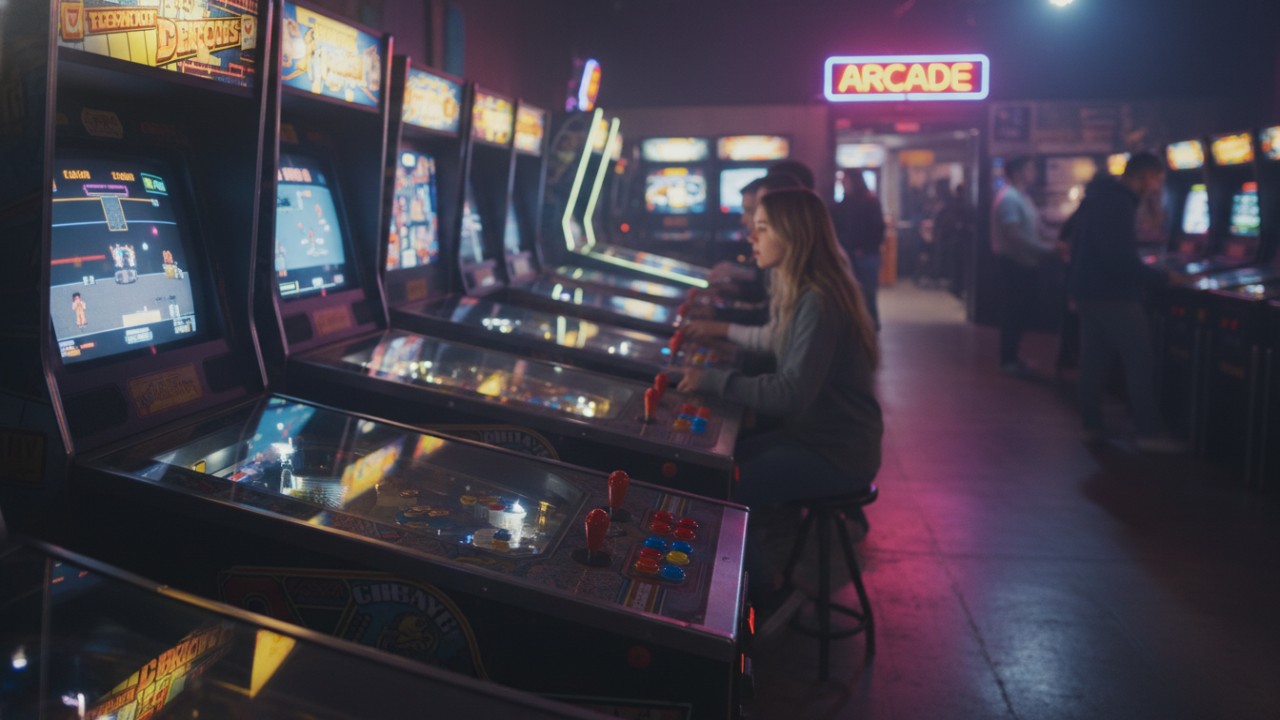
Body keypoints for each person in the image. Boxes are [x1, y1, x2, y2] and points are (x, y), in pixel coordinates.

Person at [677, 188, 883, 630]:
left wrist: (714, 381)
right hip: (820, 436)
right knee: (719, 467)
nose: (752, 234)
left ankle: (766, 595)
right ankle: (758, 580)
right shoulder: (808, 289)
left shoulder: (819, 300)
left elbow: (790, 392)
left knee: (729, 487)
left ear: (793, 235)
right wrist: (720, 332)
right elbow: (775, 340)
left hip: (837, 451)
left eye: (764, 227)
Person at [1068, 151, 1185, 452]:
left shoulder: (1101, 196)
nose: (1158, 186)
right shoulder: (1119, 203)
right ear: (1145, 176)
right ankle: (1149, 433)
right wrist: (1163, 278)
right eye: (1158, 179)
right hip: (1114, 295)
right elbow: (1118, 259)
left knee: (1092, 364)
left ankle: (1091, 426)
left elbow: (1083, 246)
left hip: (1090, 291)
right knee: (1140, 362)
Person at [990, 156, 1057, 375]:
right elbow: (1015, 234)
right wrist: (1047, 249)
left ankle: (1012, 357)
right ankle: (1008, 360)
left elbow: (1035, 228)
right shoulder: (1010, 198)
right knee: (1014, 313)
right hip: (1015, 264)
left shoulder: (1021, 197)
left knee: (1018, 313)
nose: (1034, 172)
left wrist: (1054, 241)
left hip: (1024, 263)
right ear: (1018, 172)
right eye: (1030, 168)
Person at [833, 171, 886, 328]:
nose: (843, 184)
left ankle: (871, 326)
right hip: (853, 254)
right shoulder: (847, 202)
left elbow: (878, 230)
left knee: (867, 294)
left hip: (865, 255)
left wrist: (864, 248)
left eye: (845, 181)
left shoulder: (869, 201)